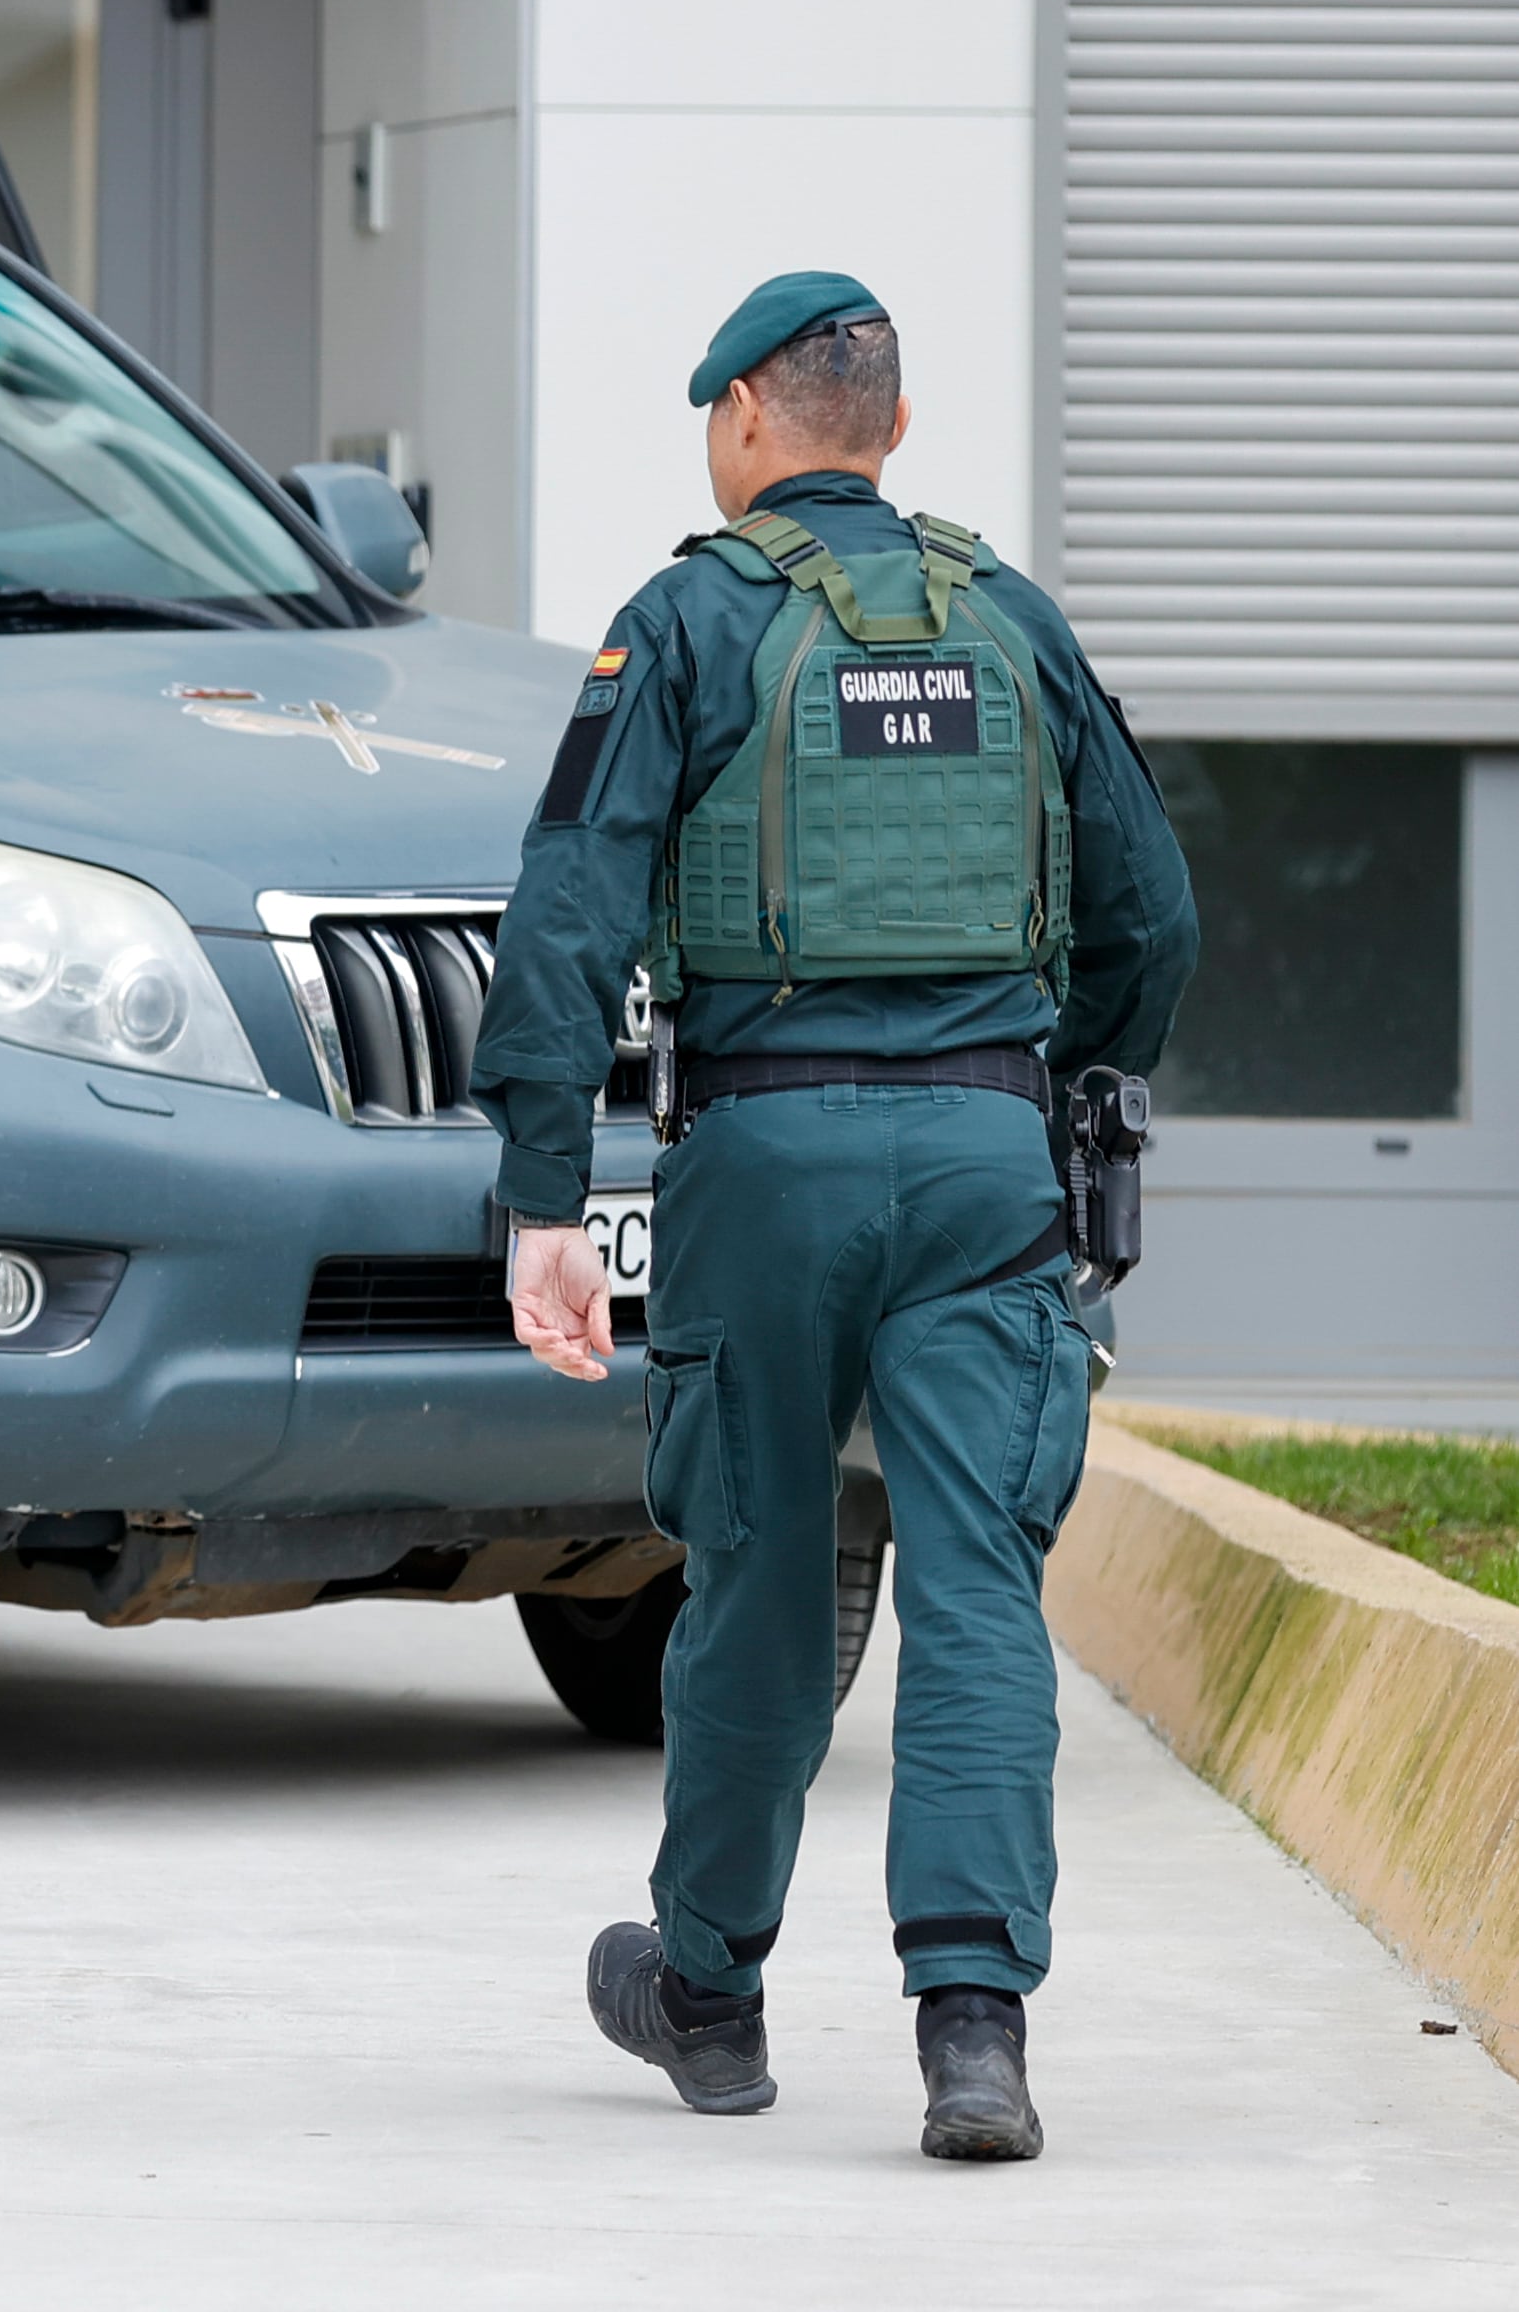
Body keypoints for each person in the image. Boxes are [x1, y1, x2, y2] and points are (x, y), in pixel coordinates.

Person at [469, 272, 1198, 2164]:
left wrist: (543, 1197)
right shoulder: (1011, 623)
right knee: (977, 1587)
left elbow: (567, 920)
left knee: (765, 1582)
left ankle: (709, 1992)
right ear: (887, 428)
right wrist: (1061, 1095)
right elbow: (1155, 921)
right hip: (985, 1167)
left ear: (745, 423)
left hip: (764, 1166)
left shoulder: (689, 621)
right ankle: (976, 2035)